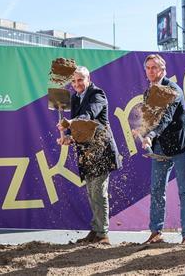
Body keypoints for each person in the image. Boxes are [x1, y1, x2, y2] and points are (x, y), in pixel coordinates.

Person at [56, 66, 121, 245]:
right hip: (86, 152)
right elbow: (80, 130)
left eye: (80, 80)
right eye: (74, 81)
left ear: (88, 79)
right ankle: (95, 231)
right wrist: (68, 138)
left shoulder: (98, 94)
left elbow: (88, 116)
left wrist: (70, 122)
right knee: (92, 194)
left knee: (99, 193)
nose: (77, 84)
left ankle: (103, 234)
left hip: (101, 150)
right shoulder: (75, 98)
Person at [138, 54, 185, 246]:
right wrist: (144, 134)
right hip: (161, 147)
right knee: (156, 188)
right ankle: (156, 232)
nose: (151, 70)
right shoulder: (147, 93)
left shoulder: (173, 90)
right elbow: (149, 119)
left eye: (155, 67)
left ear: (163, 70)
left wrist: (151, 136)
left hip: (181, 145)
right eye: (148, 67)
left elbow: (166, 118)